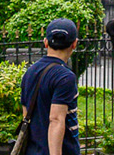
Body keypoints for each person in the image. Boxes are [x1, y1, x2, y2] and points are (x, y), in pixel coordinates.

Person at [19, 18, 81, 155]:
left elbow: (25, 114)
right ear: (74, 44)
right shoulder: (65, 77)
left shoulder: (30, 73)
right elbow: (56, 119)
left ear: (46, 43)